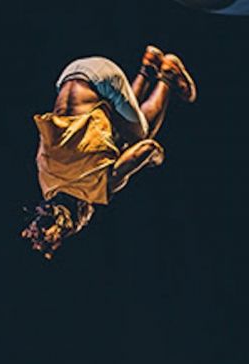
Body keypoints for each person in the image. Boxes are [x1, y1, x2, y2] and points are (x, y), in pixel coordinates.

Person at [22, 46, 197, 258]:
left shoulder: (98, 187)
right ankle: (149, 67)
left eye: (84, 223)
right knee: (120, 133)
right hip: (70, 75)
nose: (89, 218)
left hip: (101, 78)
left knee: (141, 135)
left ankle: (168, 75)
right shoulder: (46, 182)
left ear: (79, 215)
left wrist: (156, 158)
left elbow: (148, 148)